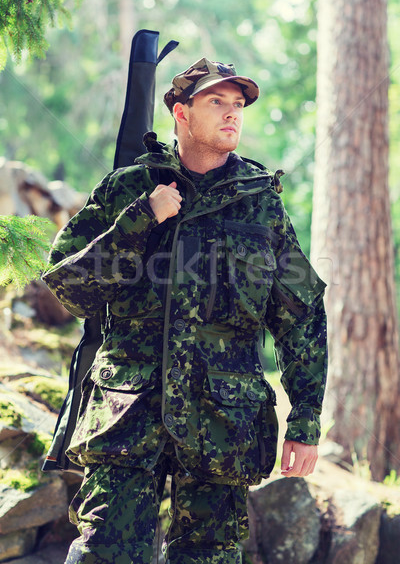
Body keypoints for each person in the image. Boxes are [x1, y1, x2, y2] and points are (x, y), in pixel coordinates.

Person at [42, 57, 327, 564]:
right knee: (103, 553)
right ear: (181, 113)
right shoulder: (128, 189)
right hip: (125, 415)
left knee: (208, 557)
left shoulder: (261, 204)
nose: (231, 114)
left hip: (223, 421)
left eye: (238, 105)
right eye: (216, 102)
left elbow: (300, 315)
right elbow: (70, 288)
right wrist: (140, 219)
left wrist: (304, 420)